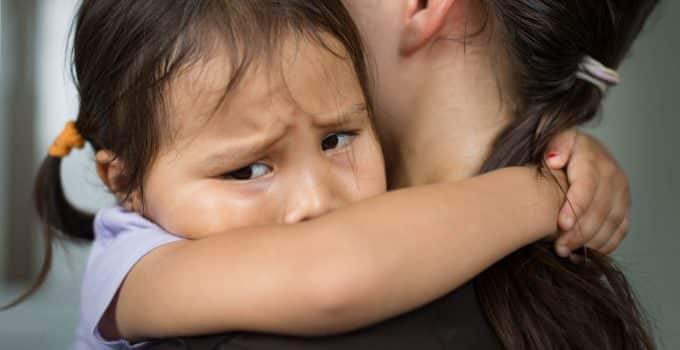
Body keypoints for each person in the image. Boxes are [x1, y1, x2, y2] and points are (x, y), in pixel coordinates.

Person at [17, 1, 642, 350]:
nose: (317, 203)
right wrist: (544, 188)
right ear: (124, 183)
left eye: (338, 139)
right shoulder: (130, 261)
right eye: (247, 169)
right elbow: (330, 276)